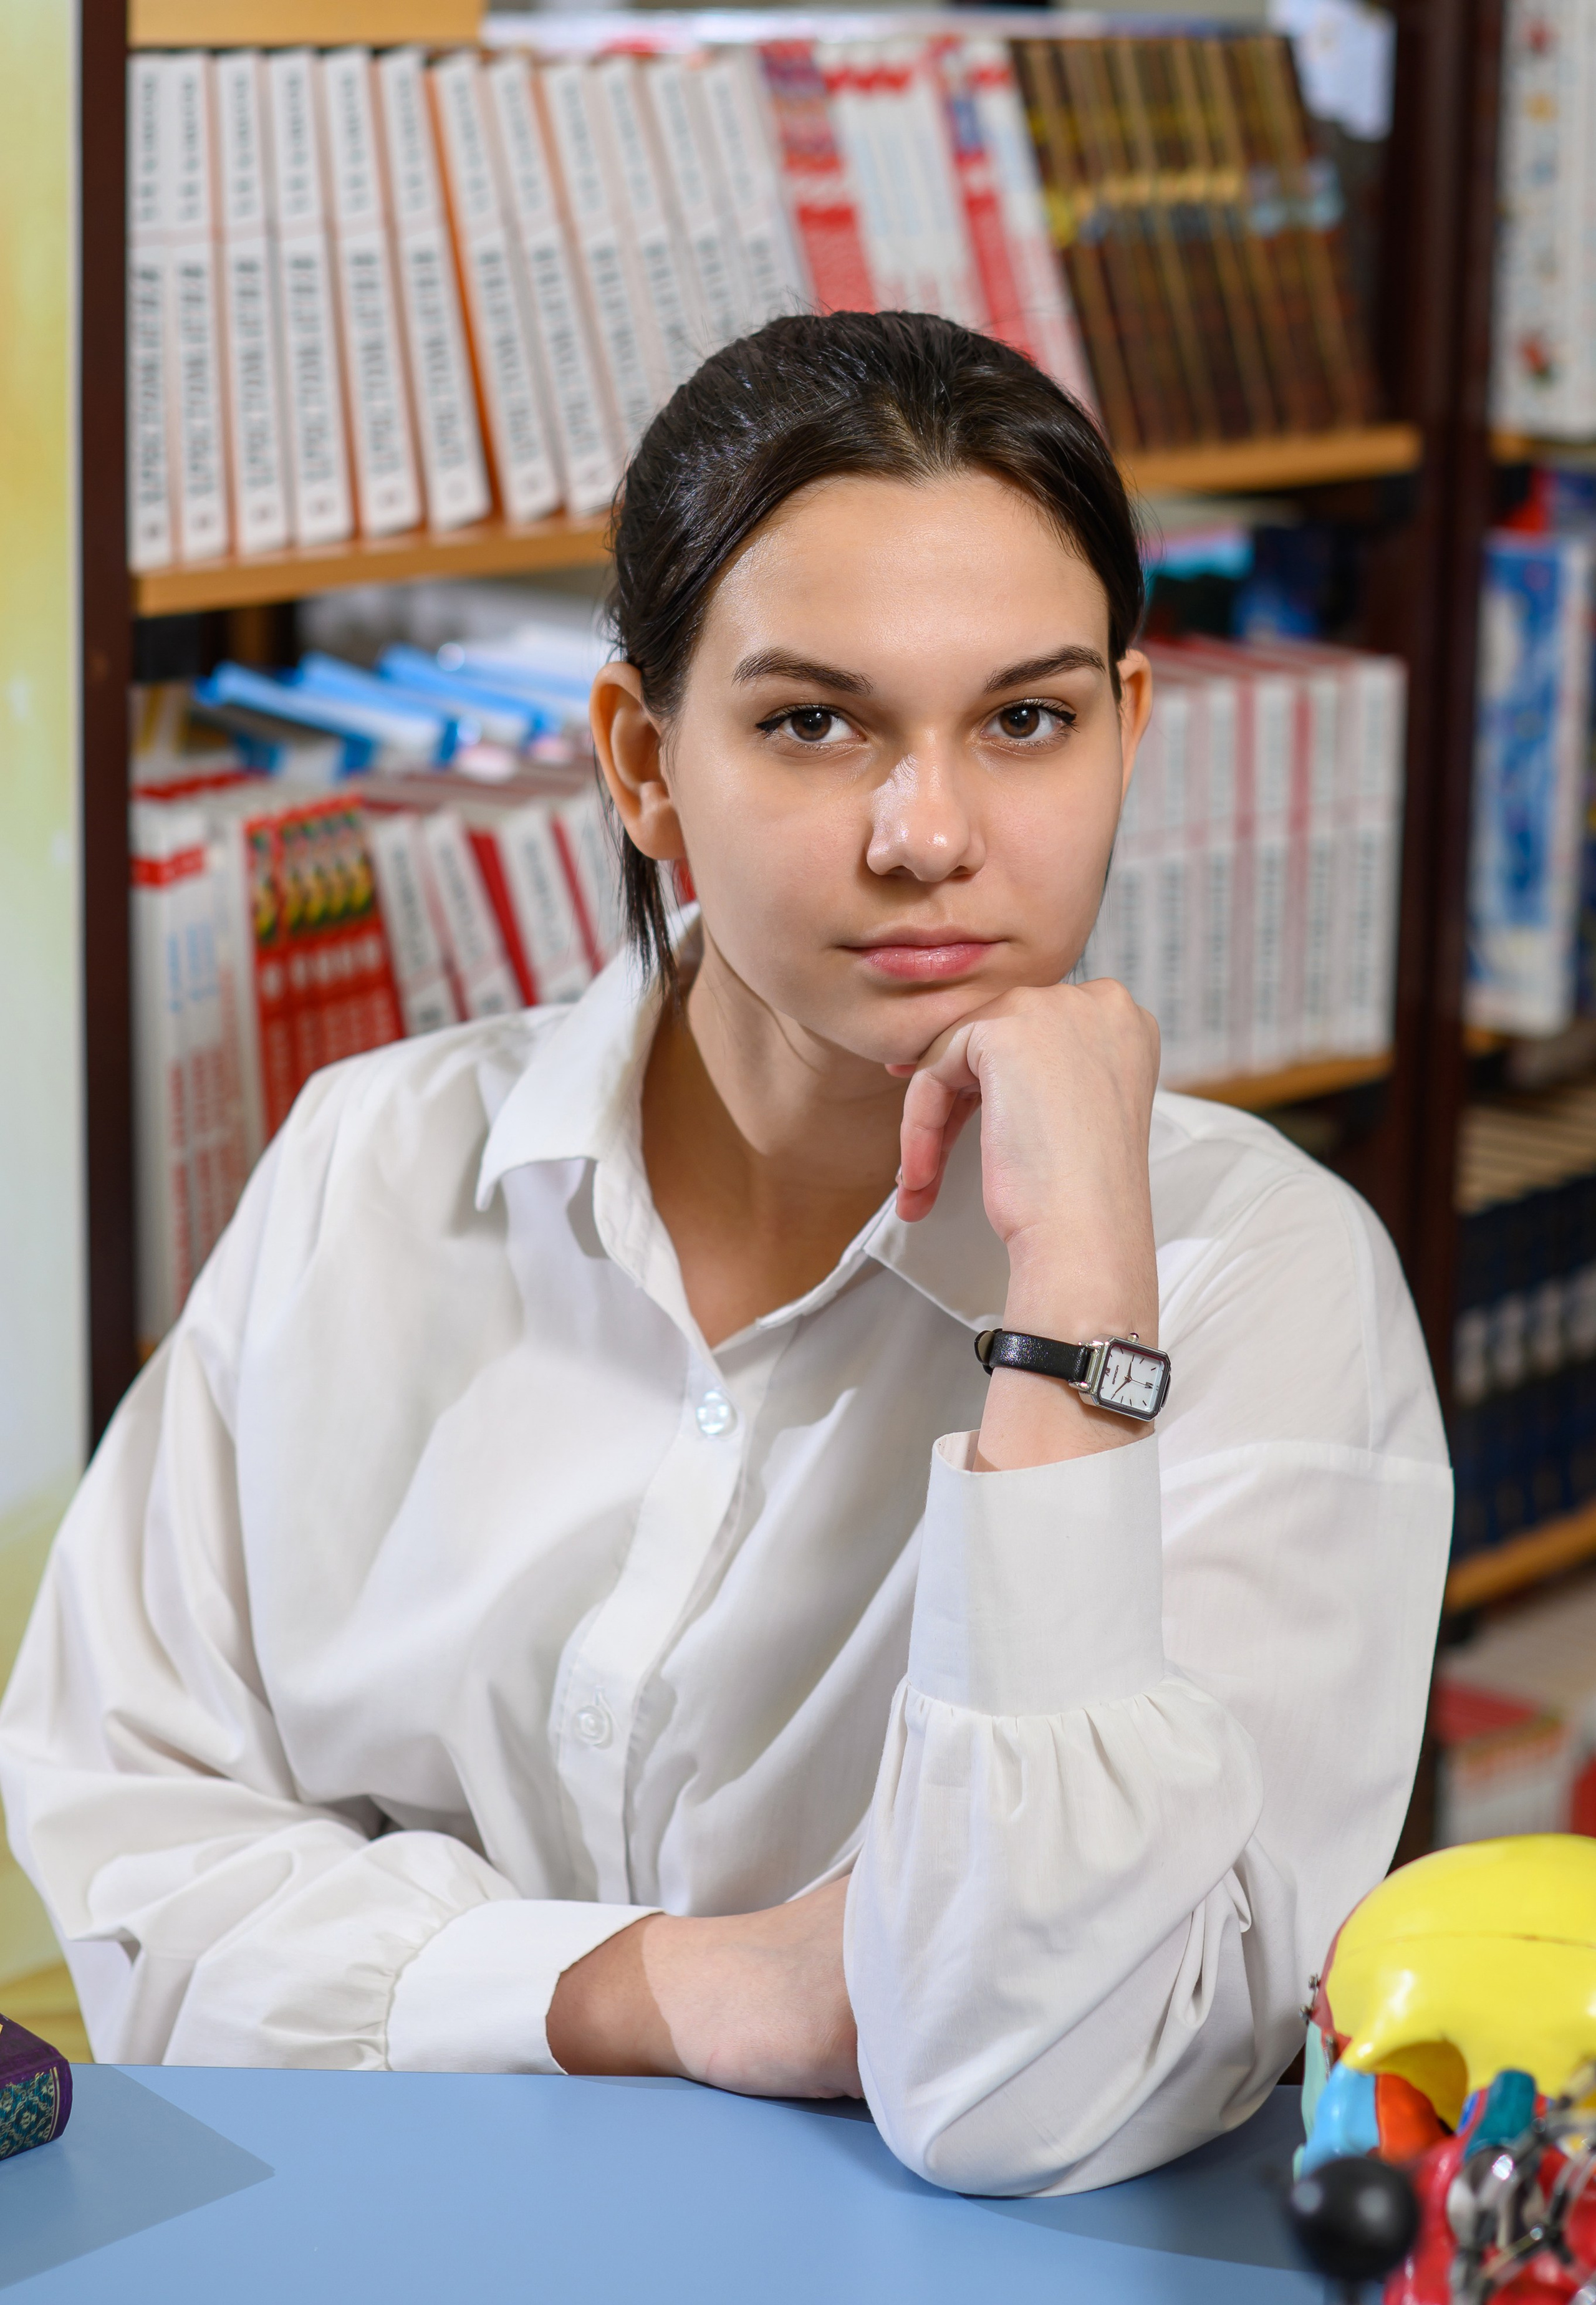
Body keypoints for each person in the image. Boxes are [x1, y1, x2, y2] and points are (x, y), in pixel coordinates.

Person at [0, 312, 1451, 2198]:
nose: (933, 836)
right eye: (812, 724)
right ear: (641, 762)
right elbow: (131, 1858)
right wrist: (674, 1988)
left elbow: (1036, 2082)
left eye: (1027, 720)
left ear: (1129, 726)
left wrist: (1080, 1312)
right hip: (355, 2262)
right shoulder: (376, 1164)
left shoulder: (1264, 1282)